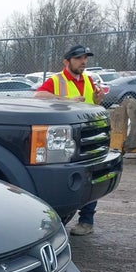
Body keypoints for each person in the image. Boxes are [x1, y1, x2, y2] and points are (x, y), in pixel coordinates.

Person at [35, 44, 106, 236]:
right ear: (67, 61)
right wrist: (64, 100)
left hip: (90, 135)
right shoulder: (57, 80)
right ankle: (58, 221)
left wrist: (98, 99)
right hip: (68, 138)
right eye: (79, 58)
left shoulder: (88, 79)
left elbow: (92, 103)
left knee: (91, 177)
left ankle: (86, 221)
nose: (83, 62)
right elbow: (39, 95)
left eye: (85, 58)